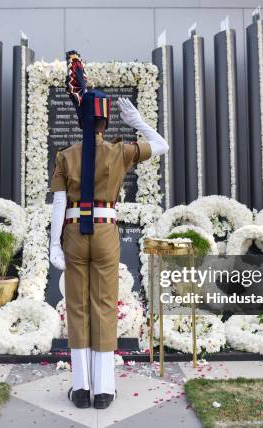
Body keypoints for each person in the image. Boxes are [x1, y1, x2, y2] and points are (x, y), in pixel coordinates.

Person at [49, 50, 169, 410]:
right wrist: (138, 120)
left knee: (77, 307)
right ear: (105, 123)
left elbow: (58, 204)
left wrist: (54, 246)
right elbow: (162, 144)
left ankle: (81, 388)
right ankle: (103, 390)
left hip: (72, 233)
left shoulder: (65, 155)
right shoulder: (120, 153)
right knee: (103, 306)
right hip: (104, 231)